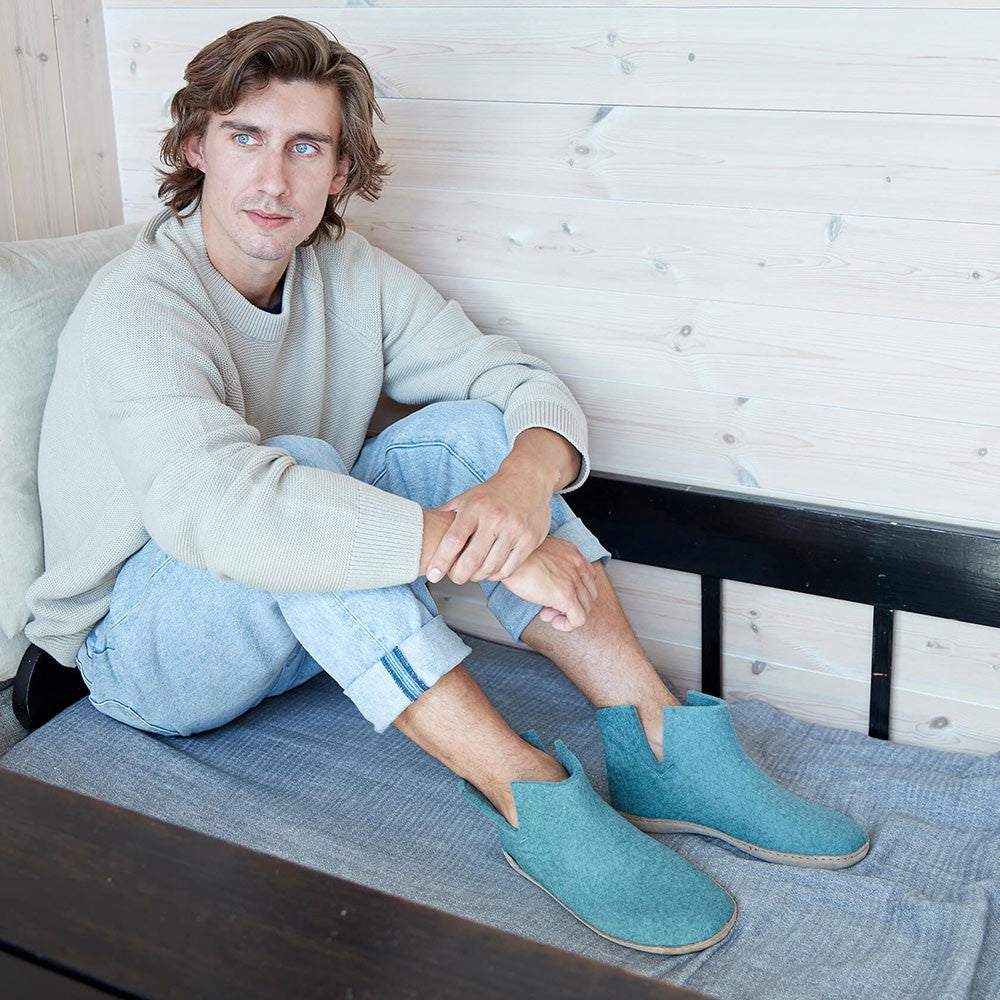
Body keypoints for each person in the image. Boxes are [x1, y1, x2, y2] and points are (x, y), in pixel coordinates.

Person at [25, 16, 868, 955]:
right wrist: (467, 546)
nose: (274, 180)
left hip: (306, 619)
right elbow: (223, 511)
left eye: (307, 146)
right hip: (141, 656)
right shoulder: (138, 306)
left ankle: (660, 743)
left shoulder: (349, 276)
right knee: (298, 474)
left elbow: (522, 389)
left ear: (340, 172)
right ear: (196, 148)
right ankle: (528, 792)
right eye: (244, 138)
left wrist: (518, 490)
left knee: (471, 433)